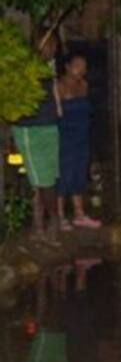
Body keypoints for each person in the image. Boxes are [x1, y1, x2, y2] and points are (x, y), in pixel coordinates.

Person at [12, 32, 64, 240]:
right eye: (50, 45)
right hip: (29, 128)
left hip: (48, 125)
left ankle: (48, 222)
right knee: (40, 181)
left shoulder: (46, 68)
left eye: (55, 46)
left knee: (46, 178)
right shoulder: (24, 67)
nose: (53, 50)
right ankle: (45, 223)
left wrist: (58, 108)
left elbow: (53, 92)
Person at [56, 52, 101, 229]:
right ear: (67, 66)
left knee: (79, 174)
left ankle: (79, 213)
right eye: (77, 66)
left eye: (83, 67)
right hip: (66, 137)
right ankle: (59, 216)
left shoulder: (84, 85)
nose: (80, 70)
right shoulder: (59, 86)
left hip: (82, 137)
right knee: (64, 175)